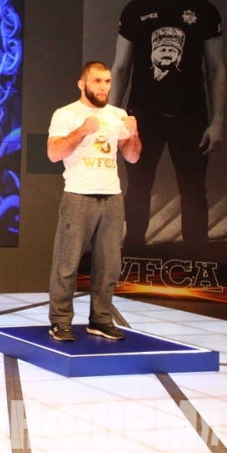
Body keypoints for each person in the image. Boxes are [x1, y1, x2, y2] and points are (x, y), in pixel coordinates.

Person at [110, 0, 225, 252]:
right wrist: (111, 117)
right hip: (141, 117)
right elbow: (121, 67)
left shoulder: (205, 11)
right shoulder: (135, 10)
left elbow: (216, 69)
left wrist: (217, 121)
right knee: (137, 188)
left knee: (193, 190)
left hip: (191, 117)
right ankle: (133, 254)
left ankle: (196, 259)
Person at [47, 61, 140, 341]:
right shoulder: (66, 114)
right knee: (67, 263)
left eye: (107, 81)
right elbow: (53, 153)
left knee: (109, 265)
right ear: (82, 84)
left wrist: (133, 134)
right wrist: (82, 131)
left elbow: (132, 157)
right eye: (97, 81)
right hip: (79, 195)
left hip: (112, 196)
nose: (103, 87)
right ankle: (60, 321)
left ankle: (100, 320)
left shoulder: (118, 114)